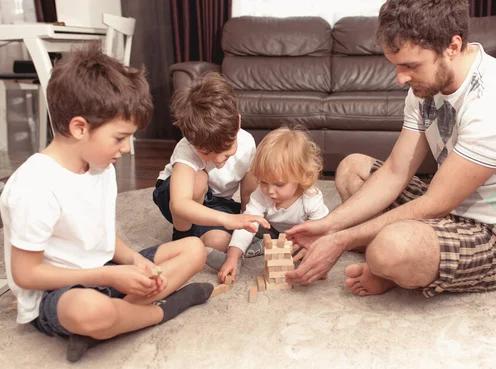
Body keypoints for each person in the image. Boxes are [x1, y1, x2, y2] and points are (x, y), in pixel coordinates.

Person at [285, 0, 496, 298]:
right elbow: (396, 171)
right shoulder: (425, 88)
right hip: (447, 210)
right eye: (396, 65)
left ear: (452, 46)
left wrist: (340, 240)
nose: (400, 78)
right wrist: (327, 225)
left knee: (389, 248)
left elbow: (436, 203)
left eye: (411, 65)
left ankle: (393, 265)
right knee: (352, 169)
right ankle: (402, 264)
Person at [0, 45, 214, 363]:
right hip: (59, 293)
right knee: (89, 310)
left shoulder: (102, 167)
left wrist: (132, 261)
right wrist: (109, 278)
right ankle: (163, 309)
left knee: (194, 249)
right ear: (79, 128)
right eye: (119, 137)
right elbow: (25, 274)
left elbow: (98, 233)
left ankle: (113, 321)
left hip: (107, 271)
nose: (127, 149)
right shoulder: (35, 185)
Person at [152, 72, 269, 255]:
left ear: (238, 122)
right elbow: (179, 204)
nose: (218, 159)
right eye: (206, 152)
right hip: (175, 198)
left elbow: (247, 194)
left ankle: (200, 236)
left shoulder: (247, 143)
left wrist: (246, 227)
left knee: (222, 243)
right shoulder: (187, 148)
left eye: (226, 149)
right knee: (199, 179)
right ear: (190, 139)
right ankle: (181, 236)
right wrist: (226, 220)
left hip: (217, 203)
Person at [207, 126, 329, 283]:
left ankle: (263, 247)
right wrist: (232, 257)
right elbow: (248, 224)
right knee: (243, 232)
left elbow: (324, 229)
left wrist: (312, 249)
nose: (270, 191)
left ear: (302, 176)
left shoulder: (311, 197)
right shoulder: (261, 194)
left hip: (301, 236)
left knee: (311, 251)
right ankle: (240, 256)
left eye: (279, 184)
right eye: (263, 182)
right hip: (269, 230)